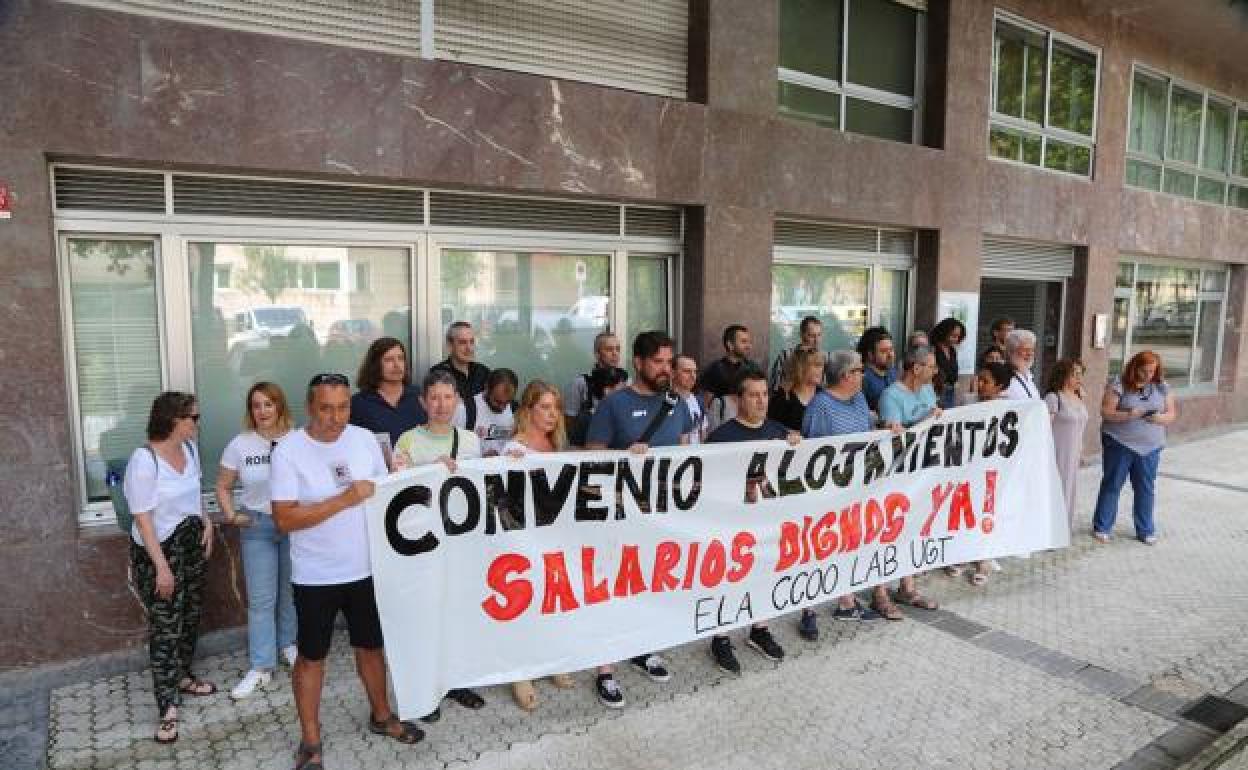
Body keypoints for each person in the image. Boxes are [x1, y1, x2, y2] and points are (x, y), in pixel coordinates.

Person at [271, 374, 423, 769]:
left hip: (366, 568)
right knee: (311, 658)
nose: (336, 417)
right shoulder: (288, 451)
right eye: (326, 408)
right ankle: (310, 741)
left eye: (343, 407)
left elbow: (385, 491)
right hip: (316, 577)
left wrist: (425, 470)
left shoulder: (363, 439)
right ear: (310, 408)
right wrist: (343, 500)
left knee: (371, 647)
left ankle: (382, 716)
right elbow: (284, 518)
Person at [586, 330, 694, 708]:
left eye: (670, 361)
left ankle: (642, 648)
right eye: (659, 362)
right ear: (639, 363)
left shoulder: (676, 405)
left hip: (660, 515)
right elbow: (591, 463)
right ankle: (605, 668)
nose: (667, 369)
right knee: (613, 589)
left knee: (649, 584)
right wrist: (620, 470)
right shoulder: (613, 405)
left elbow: (683, 457)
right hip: (619, 516)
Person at [393, 370, 486, 718]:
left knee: (457, 612)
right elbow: (397, 490)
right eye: (434, 397)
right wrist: (427, 471)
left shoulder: (470, 441)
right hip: (422, 545)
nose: (442, 405)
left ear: (458, 401)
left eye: (448, 397)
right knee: (423, 617)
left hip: (460, 543)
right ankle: (425, 690)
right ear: (422, 402)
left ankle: (456, 680)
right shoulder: (408, 441)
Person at [125, 392, 216, 744]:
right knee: (166, 627)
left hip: (190, 544)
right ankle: (167, 708)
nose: (197, 423)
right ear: (173, 420)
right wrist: (161, 567)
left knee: (190, 616)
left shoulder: (190, 451)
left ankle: (183, 676)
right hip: (158, 550)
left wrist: (207, 520)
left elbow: (193, 494)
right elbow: (143, 519)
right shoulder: (144, 460)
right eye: (193, 418)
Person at [799, 351, 894, 637]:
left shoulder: (860, 400)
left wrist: (885, 428)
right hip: (828, 491)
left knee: (850, 544)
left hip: (857, 487)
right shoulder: (821, 406)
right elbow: (811, 453)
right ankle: (808, 608)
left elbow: (866, 433)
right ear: (844, 376)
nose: (863, 374)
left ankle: (846, 602)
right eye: (859, 370)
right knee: (819, 548)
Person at [705, 371, 793, 671]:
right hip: (731, 525)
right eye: (753, 395)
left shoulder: (780, 432)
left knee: (763, 575)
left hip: (767, 524)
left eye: (765, 394)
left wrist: (797, 445)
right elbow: (708, 484)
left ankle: (759, 629)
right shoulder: (721, 437)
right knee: (728, 580)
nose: (761, 400)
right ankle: (720, 636)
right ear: (739, 399)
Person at [500, 381, 580, 710]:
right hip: (523, 538)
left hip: (556, 536)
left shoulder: (556, 443)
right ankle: (521, 672)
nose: (551, 414)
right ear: (528, 410)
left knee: (552, 601)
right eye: (544, 407)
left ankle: (550, 660)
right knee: (525, 605)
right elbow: (506, 501)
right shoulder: (514, 448)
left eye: (556, 407)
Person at [216, 382, 297, 700]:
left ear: (280, 406)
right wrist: (232, 515)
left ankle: (288, 645)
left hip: (292, 522)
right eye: (256, 405)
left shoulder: (296, 439)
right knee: (262, 600)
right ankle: (261, 666)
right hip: (257, 526)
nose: (262, 411)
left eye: (268, 404)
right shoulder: (240, 444)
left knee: (290, 591)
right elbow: (222, 485)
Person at [877, 348, 942, 612]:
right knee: (886, 529)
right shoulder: (891, 395)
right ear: (916, 368)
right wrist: (925, 420)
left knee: (913, 526)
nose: (934, 371)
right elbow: (892, 436)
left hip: (921, 470)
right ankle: (879, 591)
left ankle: (907, 586)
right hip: (895, 472)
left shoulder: (927, 390)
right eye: (931, 367)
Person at [1092, 351, 1177, 545]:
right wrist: (1129, 414)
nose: (1148, 375)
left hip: (1150, 447)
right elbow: (1105, 412)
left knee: (1145, 488)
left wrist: (1158, 418)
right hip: (1119, 443)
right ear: (1135, 367)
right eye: (1145, 371)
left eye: (1152, 371)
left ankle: (1145, 530)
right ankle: (1102, 526)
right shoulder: (1118, 384)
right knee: (1113, 484)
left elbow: (1171, 414)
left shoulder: (1161, 386)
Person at [350, 337, 427, 468]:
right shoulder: (359, 403)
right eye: (389, 360)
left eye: (401, 358)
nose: (397, 365)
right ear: (375, 364)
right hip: (380, 478)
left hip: (419, 474)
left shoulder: (419, 396)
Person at [1044, 359, 1089, 534]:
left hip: (1074, 452)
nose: (1079, 378)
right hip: (1057, 452)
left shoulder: (1079, 396)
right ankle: (1050, 532)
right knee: (1056, 490)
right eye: (1074, 374)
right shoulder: (1053, 398)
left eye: (1080, 374)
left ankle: (1063, 529)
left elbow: (1081, 426)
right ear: (1063, 375)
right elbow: (1045, 428)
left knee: (1070, 490)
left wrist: (1081, 449)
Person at [565, 332, 629, 447]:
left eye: (617, 349)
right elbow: (569, 424)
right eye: (609, 349)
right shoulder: (580, 384)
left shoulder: (627, 383)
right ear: (597, 354)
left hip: (619, 450)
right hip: (586, 451)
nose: (615, 353)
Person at [431, 321, 490, 430]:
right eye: (463, 343)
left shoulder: (483, 372)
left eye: (471, 342)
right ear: (450, 345)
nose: (469, 348)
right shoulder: (438, 374)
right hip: (451, 437)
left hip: (482, 439)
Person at [698, 324, 762, 405]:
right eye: (744, 341)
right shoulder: (715, 369)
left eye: (749, 342)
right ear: (730, 344)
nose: (749, 346)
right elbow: (707, 403)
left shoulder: (753, 367)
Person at [768, 347, 824, 432]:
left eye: (821, 365)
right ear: (801, 367)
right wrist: (787, 433)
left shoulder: (824, 395)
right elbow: (770, 427)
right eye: (816, 365)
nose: (821, 370)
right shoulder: (783, 397)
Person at [769, 315, 822, 392]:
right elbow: (774, 386)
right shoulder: (786, 355)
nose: (817, 340)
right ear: (801, 335)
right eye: (812, 336)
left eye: (819, 335)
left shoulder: (823, 358)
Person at [472, 368, 518, 456]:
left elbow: (520, 439)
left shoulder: (515, 409)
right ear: (487, 388)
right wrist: (481, 458)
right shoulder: (467, 408)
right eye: (497, 401)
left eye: (507, 402)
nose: (502, 408)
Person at [857, 326, 897, 413]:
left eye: (891, 349)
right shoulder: (862, 378)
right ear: (870, 355)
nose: (890, 355)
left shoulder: (892, 371)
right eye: (884, 351)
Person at [930, 317, 967, 409]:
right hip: (936, 391)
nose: (955, 339)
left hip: (951, 390)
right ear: (944, 332)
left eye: (958, 337)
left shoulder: (952, 350)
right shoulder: (933, 349)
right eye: (953, 336)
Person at [674, 353, 707, 444]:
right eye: (687, 371)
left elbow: (702, 433)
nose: (693, 376)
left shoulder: (699, 401)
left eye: (695, 371)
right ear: (673, 373)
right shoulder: (664, 402)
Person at [1002, 329, 1041, 401]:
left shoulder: (1029, 377)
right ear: (1011, 351)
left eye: (1032, 350)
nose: (1030, 354)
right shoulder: (1002, 377)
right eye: (1026, 350)